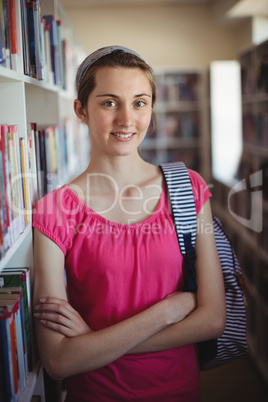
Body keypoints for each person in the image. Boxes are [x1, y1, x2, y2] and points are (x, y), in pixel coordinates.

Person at [32, 45, 226, 402]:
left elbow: (212, 319)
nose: (126, 119)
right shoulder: (55, 209)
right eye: (109, 102)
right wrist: (166, 312)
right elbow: (59, 360)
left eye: (139, 103)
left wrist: (93, 340)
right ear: (81, 110)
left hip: (180, 392)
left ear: (151, 109)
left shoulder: (187, 189)